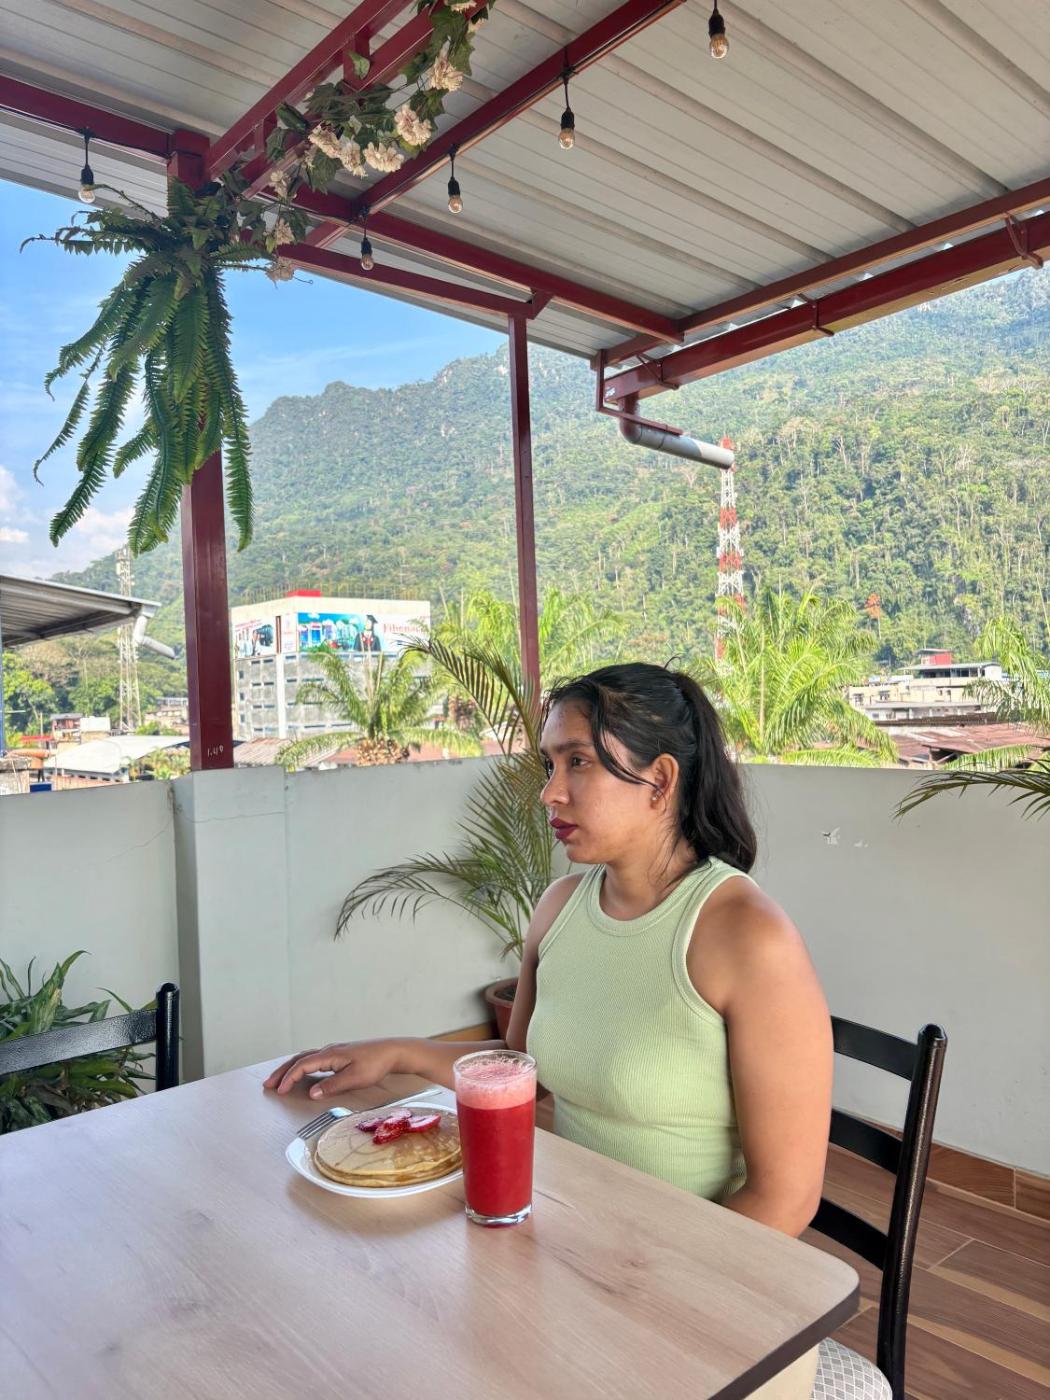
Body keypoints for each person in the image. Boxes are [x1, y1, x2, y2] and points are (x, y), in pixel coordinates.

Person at [264, 663, 832, 1395]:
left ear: (659, 781)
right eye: (549, 765)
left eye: (578, 762)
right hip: (572, 1253)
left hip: (704, 1308)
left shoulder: (747, 936)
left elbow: (784, 1200)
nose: (549, 792)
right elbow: (520, 1066)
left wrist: (637, 1295)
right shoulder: (561, 907)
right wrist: (398, 1052)